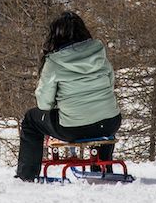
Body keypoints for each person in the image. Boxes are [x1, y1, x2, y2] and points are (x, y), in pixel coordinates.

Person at [15, 11, 121, 182]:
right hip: (110, 123)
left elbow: (44, 104)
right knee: (101, 114)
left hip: (73, 127)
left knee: (31, 119)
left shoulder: (54, 62)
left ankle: (27, 175)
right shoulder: (100, 53)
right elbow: (110, 84)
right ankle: (101, 165)